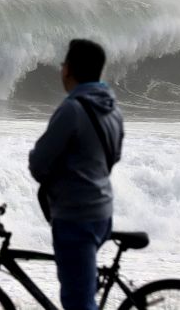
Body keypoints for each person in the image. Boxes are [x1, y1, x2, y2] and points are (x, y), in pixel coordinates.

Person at [28, 39, 124, 310]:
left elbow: (39, 163)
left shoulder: (72, 109)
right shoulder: (113, 109)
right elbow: (113, 156)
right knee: (81, 291)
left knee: (78, 303)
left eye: (63, 64)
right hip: (102, 213)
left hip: (76, 216)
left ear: (68, 69)